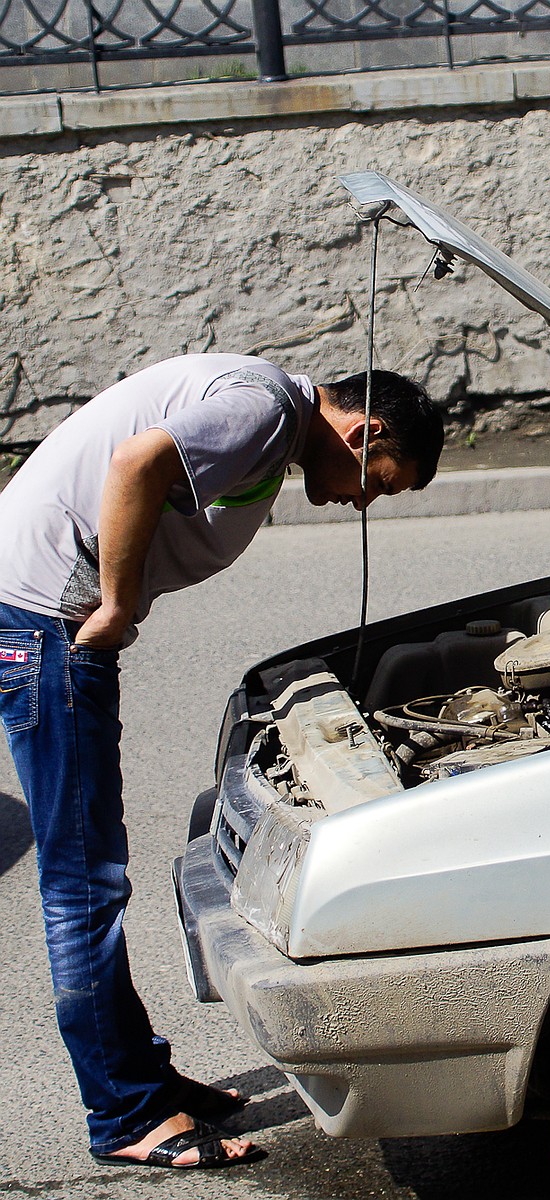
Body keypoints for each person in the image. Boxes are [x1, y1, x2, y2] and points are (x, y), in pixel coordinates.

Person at [0, 354, 443, 1168]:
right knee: (82, 879)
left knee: (94, 871)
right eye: (381, 479)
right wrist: (117, 605)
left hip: (41, 619)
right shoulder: (265, 412)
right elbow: (137, 462)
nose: (364, 500)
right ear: (365, 430)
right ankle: (124, 1116)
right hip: (42, 628)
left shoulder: (265, 412)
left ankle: (142, 1081)